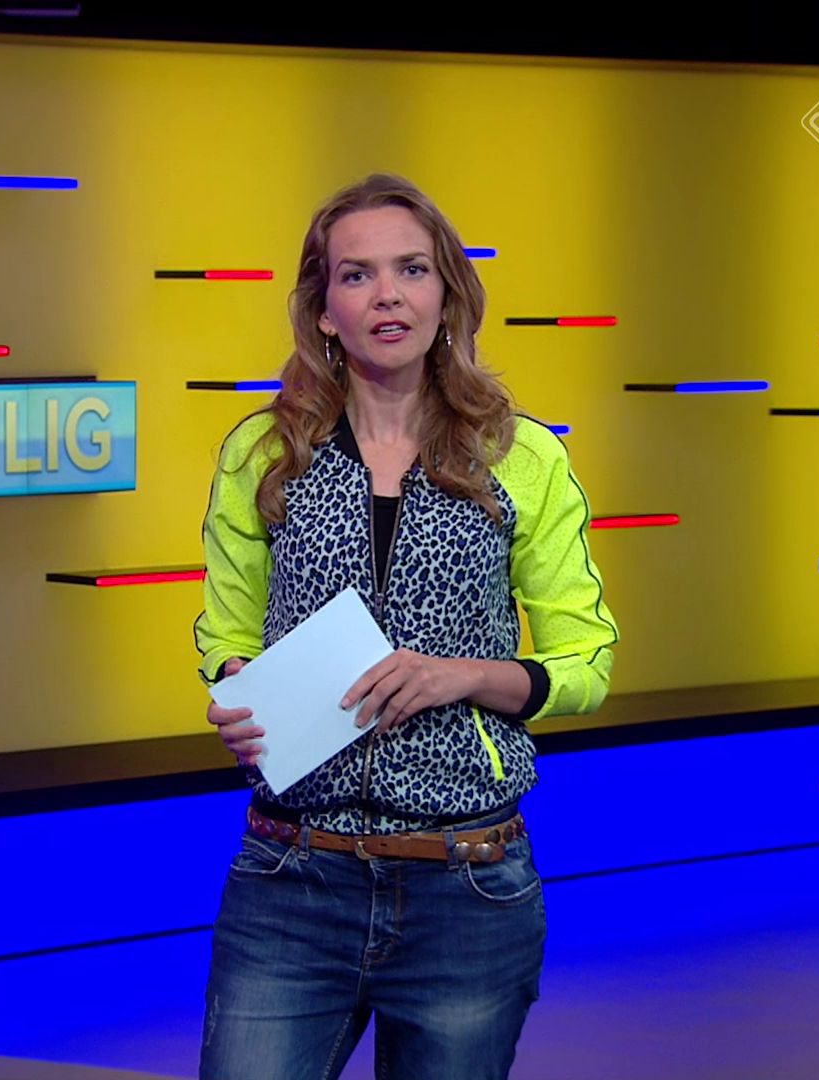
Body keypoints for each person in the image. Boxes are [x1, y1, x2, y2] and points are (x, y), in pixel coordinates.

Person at [194, 173, 620, 1080]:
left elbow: (585, 663)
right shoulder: (263, 453)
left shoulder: (522, 456)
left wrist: (463, 674)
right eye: (358, 275)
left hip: (467, 887)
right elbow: (227, 631)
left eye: (412, 269)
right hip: (290, 877)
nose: (387, 295)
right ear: (324, 310)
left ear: (447, 294)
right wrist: (234, 692)